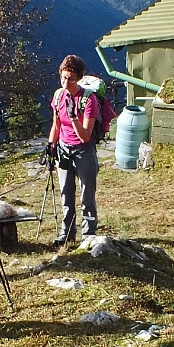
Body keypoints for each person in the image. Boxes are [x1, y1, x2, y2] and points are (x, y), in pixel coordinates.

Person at [48, 54, 99, 247]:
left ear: (78, 78)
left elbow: (85, 135)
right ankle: (67, 233)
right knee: (66, 194)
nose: (65, 82)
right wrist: (50, 145)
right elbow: (56, 124)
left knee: (87, 194)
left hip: (84, 151)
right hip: (63, 149)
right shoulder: (58, 95)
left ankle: (89, 234)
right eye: (63, 77)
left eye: (70, 78)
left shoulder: (89, 100)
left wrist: (74, 116)